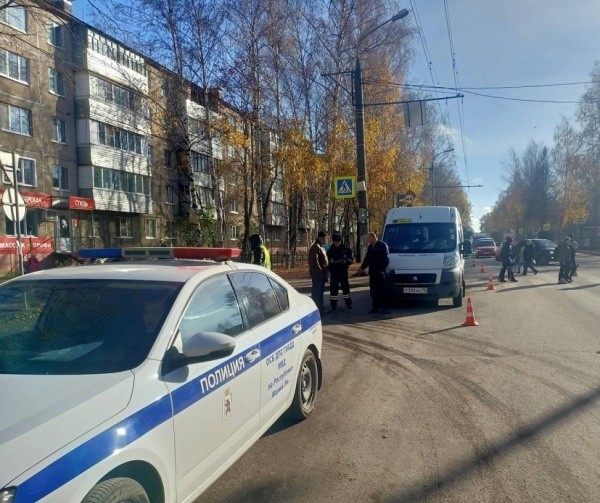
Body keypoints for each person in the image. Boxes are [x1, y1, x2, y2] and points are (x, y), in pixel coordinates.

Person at [359, 232, 390, 314]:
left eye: (368, 239)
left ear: (373, 237)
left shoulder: (382, 246)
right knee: (373, 291)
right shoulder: (370, 247)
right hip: (372, 273)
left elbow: (386, 259)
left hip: (380, 272)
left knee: (382, 290)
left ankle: (385, 308)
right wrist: (362, 268)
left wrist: (382, 270)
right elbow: (367, 259)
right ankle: (375, 307)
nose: (368, 240)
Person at [326, 233, 353, 311]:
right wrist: (331, 263)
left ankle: (348, 304)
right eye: (335, 242)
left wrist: (345, 261)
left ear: (341, 241)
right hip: (334, 273)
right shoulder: (330, 251)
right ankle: (333, 305)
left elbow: (350, 260)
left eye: (338, 242)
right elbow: (327, 262)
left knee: (346, 288)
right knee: (333, 290)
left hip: (343, 272)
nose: (337, 243)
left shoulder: (346, 249)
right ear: (333, 241)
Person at [308, 230, 328, 313]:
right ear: (321, 238)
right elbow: (315, 261)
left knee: (320, 291)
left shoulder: (320, 246)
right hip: (317, 272)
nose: (326, 240)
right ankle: (316, 310)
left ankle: (321, 308)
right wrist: (321, 271)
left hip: (321, 272)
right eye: (325, 238)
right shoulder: (315, 247)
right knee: (317, 291)